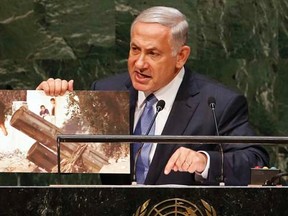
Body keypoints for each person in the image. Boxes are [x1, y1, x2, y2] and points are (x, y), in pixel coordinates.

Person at [36, 6, 269, 186]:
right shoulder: (107, 91)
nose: (139, 63)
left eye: (153, 53)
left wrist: (204, 162)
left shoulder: (217, 103)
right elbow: (54, 151)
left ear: (181, 56)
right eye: (135, 49)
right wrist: (48, 104)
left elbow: (256, 161)